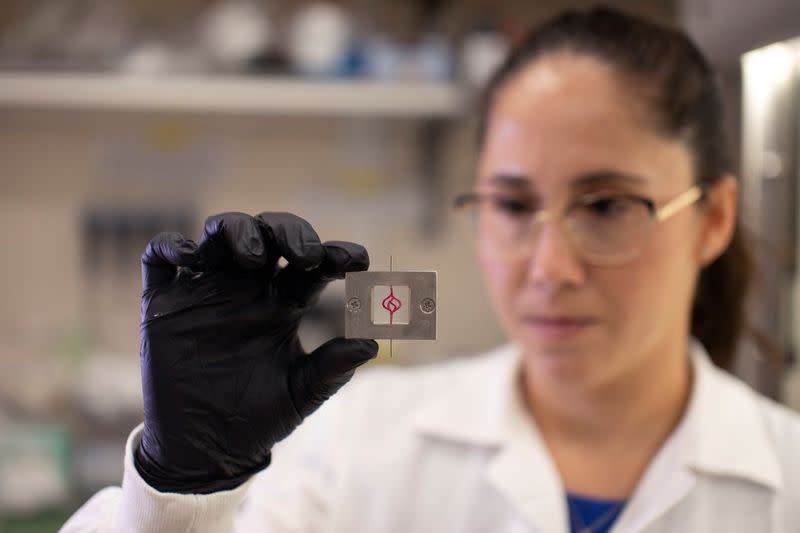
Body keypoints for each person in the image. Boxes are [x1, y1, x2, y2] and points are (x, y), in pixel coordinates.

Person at [61, 6, 800, 533]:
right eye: (512, 205)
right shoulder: (355, 441)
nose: (549, 266)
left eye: (606, 206)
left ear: (712, 219)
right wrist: (186, 482)